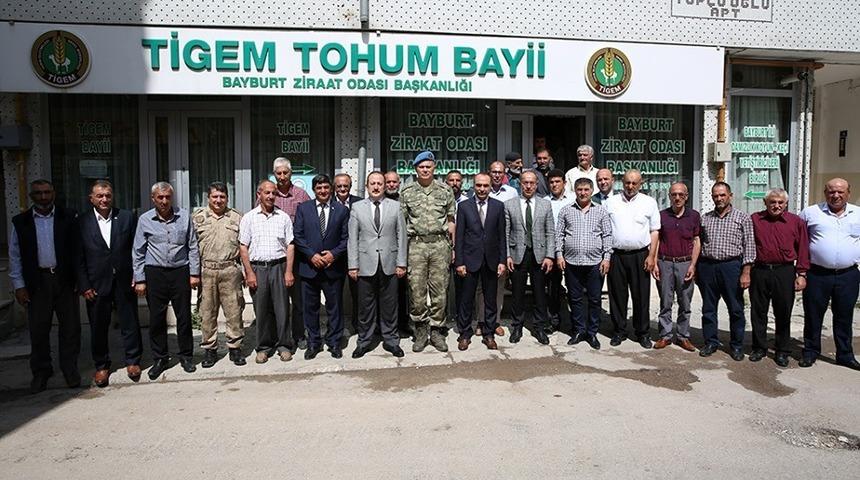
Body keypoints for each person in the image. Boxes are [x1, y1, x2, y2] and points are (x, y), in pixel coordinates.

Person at [9, 179, 81, 393]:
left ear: (53, 193)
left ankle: (69, 369)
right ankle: (41, 371)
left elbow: (77, 251)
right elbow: (15, 256)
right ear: (32, 196)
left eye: (47, 192)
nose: (43, 197)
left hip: (64, 279)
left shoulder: (68, 217)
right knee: (39, 329)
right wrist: (19, 285)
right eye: (38, 193)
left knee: (70, 329)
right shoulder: (21, 222)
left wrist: (79, 279)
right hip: (37, 282)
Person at [77, 179, 142, 387]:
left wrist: (137, 275)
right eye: (100, 196)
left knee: (129, 322)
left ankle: (133, 361)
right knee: (98, 326)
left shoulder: (126, 217)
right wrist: (84, 285)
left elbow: (136, 250)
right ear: (91, 198)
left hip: (124, 280)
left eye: (108, 195)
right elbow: (77, 257)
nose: (104, 199)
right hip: (96, 283)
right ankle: (102, 365)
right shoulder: (81, 222)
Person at [133, 182, 200, 380]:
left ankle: (186, 356)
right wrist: (140, 279)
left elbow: (193, 246)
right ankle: (160, 358)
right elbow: (138, 251)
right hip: (155, 273)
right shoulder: (145, 220)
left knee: (184, 317)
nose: (164, 201)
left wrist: (194, 273)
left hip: (180, 271)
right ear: (153, 199)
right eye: (160, 197)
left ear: (172, 198)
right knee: (157, 318)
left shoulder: (183, 216)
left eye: (167, 197)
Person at [799, 178, 860, 370]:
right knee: (813, 315)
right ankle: (810, 351)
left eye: (840, 192)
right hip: (817, 274)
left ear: (848, 193)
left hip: (848, 275)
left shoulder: (858, 214)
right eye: (832, 191)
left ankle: (845, 354)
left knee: (844, 316)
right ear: (825, 193)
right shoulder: (810, 213)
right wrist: (800, 271)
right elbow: (799, 241)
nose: (836, 195)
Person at [400, 150, 456, 352]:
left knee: (440, 291)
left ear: (434, 168)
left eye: (428, 166)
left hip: (440, 245)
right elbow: (402, 223)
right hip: (416, 245)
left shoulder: (445, 190)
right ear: (415, 169)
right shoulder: (406, 192)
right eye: (421, 167)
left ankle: (437, 331)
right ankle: (421, 332)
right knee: (416, 291)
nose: (425, 170)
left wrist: (453, 248)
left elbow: (451, 221)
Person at [348, 171, 407, 358]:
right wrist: (353, 265)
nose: (376, 187)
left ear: (384, 186)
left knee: (390, 306)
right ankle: (364, 341)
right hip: (365, 265)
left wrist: (402, 263)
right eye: (372, 183)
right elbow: (353, 239)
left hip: (390, 263)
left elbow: (402, 236)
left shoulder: (396, 207)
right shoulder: (357, 208)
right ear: (367, 186)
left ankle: (391, 340)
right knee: (365, 307)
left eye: (379, 184)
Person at [749, 187, 809, 367]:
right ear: (765, 203)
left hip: (784, 271)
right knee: (758, 311)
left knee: (783, 311)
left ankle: (783, 350)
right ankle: (759, 347)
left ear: (786, 204)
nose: (776, 206)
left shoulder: (795, 222)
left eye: (780, 202)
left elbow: (803, 249)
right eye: (772, 202)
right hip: (760, 270)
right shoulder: (755, 219)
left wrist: (802, 273)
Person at [293, 174, 350, 359]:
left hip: (333, 268)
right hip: (309, 268)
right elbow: (298, 236)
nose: (323, 191)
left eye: (326, 187)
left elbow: (346, 238)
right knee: (311, 309)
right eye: (319, 188)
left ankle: (334, 342)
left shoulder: (341, 210)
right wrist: (312, 255)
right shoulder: (303, 208)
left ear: (331, 189)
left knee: (335, 308)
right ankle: (314, 343)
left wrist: (334, 254)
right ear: (314, 190)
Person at [698, 182, 756, 360]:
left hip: (731, 267)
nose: (719, 198)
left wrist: (746, 272)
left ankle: (737, 345)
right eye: (715, 195)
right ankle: (710, 342)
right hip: (708, 266)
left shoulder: (743, 218)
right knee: (708, 308)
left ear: (730, 195)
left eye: (722, 195)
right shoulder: (705, 218)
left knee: (736, 308)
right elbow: (699, 243)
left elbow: (750, 246)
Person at [239, 180, 296, 363]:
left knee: (282, 309)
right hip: (258, 269)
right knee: (261, 310)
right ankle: (263, 347)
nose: (271, 196)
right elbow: (243, 247)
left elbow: (290, 246)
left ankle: (284, 345)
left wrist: (288, 271)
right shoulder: (249, 218)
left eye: (273, 193)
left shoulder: (283, 217)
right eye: (267, 193)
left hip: (279, 267)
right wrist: (249, 273)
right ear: (259, 194)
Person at [604, 169, 660, 349]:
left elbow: (655, 231)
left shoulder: (649, 202)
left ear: (640, 184)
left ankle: (642, 332)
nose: (630, 186)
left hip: (640, 255)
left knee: (641, 296)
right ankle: (619, 330)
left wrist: (652, 256)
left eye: (634, 183)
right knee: (617, 295)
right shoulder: (610, 202)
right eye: (627, 182)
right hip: (616, 255)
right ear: (622, 182)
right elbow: (604, 231)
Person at [192, 182, 245, 368]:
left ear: (227, 199)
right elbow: (191, 247)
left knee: (234, 311)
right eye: (215, 197)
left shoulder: (237, 217)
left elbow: (245, 246)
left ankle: (235, 348)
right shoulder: (198, 218)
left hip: (230, 270)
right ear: (208, 198)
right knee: (207, 312)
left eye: (222, 197)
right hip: (206, 271)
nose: (218, 200)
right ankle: (210, 349)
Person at [555, 178, 611, 349]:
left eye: (586, 189)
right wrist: (559, 255)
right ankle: (579, 330)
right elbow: (559, 235)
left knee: (594, 299)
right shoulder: (566, 210)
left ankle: (592, 332)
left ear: (592, 191)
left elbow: (607, 236)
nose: (583, 193)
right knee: (575, 298)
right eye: (579, 189)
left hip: (595, 263)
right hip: (572, 262)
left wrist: (606, 258)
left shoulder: (601, 211)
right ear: (575, 190)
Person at [454, 172, 507, 350]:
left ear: (490, 186)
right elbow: (459, 237)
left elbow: (502, 236)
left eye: (485, 186)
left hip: (491, 260)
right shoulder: (464, 206)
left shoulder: (499, 206)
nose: (482, 189)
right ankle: (464, 333)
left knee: (490, 299)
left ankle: (489, 333)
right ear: (473, 186)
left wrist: (502, 260)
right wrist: (459, 262)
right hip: (470, 260)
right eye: (479, 185)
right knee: (466, 299)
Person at [504, 170, 555, 345]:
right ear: (520, 183)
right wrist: (508, 256)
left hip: (539, 255)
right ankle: (517, 326)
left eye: (532, 183)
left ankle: (539, 327)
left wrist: (550, 255)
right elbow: (505, 232)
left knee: (540, 293)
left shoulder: (545, 204)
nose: (528, 186)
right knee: (517, 293)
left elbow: (550, 232)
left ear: (536, 184)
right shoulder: (509, 204)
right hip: (517, 254)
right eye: (525, 182)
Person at [651, 182, 700, 352]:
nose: (677, 198)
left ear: (686, 197)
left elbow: (696, 241)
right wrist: (655, 262)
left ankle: (683, 336)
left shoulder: (694, 216)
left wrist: (693, 265)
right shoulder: (662, 215)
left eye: (681, 194)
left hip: (685, 263)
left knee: (685, 303)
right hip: (665, 263)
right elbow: (657, 239)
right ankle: (665, 335)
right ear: (669, 196)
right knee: (666, 301)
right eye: (674, 194)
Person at [272, 157, 311, 351]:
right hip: (274, 257)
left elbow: (310, 223)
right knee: (277, 301)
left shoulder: (301, 195)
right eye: (278, 173)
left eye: (285, 173)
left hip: (297, 256)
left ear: (291, 173)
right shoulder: (269, 194)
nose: (281, 177)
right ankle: (280, 337)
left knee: (298, 300)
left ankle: (299, 335)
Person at [544, 169, 574, 333]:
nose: (554, 185)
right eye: (551, 182)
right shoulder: (544, 201)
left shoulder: (573, 200)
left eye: (557, 181)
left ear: (564, 182)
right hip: (551, 251)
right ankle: (553, 321)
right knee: (552, 289)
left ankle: (575, 322)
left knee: (574, 288)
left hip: (570, 251)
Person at [333, 172, 362, 335]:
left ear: (350, 187)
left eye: (346, 186)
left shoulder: (360, 203)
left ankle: (358, 325)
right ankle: (338, 327)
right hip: (336, 256)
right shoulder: (328, 203)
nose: (342, 189)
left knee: (358, 293)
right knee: (335, 294)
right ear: (334, 188)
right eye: (339, 186)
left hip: (357, 255)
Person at [384, 170, 410, 336]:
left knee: (402, 292)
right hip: (382, 253)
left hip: (402, 253)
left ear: (399, 184)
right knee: (384, 293)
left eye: (395, 182)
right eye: (389, 182)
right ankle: (384, 325)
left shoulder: (404, 202)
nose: (392, 185)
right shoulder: (377, 201)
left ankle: (402, 323)